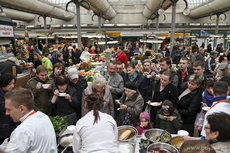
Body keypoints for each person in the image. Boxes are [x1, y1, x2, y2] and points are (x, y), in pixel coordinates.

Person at [1, 88, 57, 153]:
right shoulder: (44, 117)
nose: (6, 113)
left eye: (9, 109)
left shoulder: (22, 131)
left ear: (22, 109)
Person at [0, 74, 17, 144]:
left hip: (14, 128)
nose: (12, 86)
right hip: (3, 131)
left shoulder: (13, 95)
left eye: (13, 83)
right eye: (10, 84)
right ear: (3, 84)